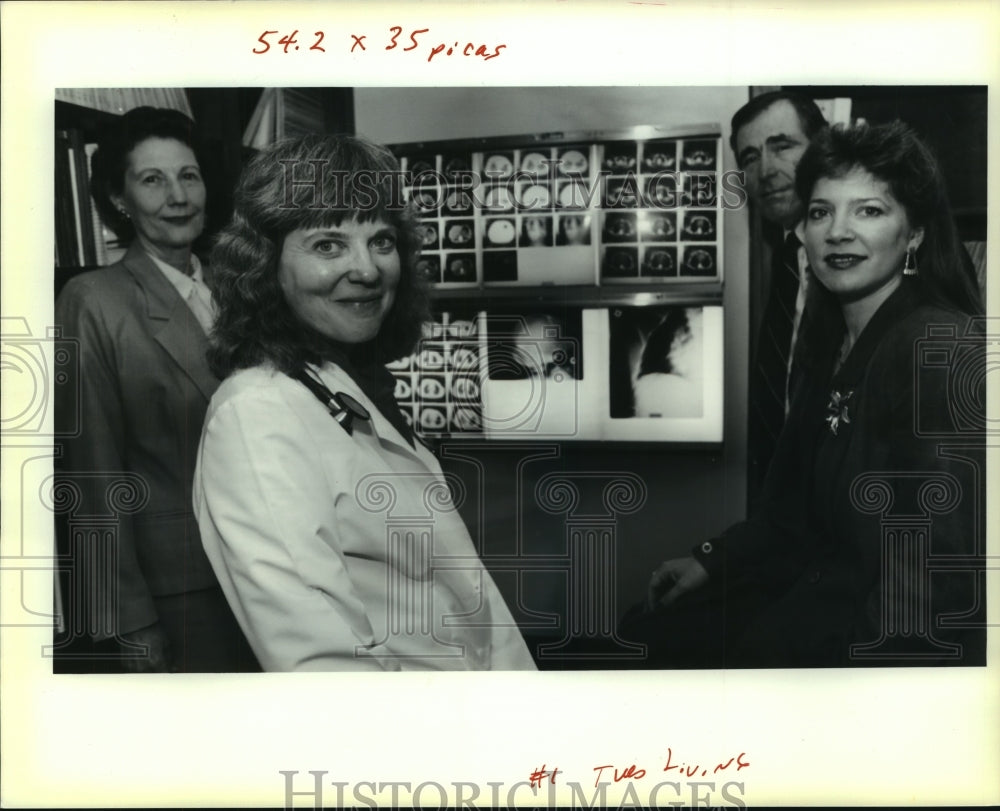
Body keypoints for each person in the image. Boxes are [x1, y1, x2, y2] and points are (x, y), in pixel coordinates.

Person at [624, 121, 985, 668]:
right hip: (813, 598)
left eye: (869, 210)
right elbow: (788, 514)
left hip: (866, 643)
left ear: (914, 235)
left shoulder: (939, 348)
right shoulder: (829, 343)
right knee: (643, 635)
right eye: (821, 212)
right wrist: (711, 560)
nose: (837, 232)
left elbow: (934, 581)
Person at [193, 134, 537, 672]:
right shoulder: (255, 415)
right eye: (329, 245)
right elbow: (325, 666)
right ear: (265, 265)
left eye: (380, 240)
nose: (369, 269)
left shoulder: (348, 385)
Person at [54, 106, 258, 672]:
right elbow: (93, 475)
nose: (178, 195)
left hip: (272, 564)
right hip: (179, 586)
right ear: (119, 199)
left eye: (188, 175)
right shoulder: (94, 301)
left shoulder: (237, 286)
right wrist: (129, 618)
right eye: (153, 179)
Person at [731, 91, 829, 502]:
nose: (766, 171)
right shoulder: (786, 260)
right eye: (750, 158)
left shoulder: (856, 256)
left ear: (822, 147)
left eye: (782, 146)